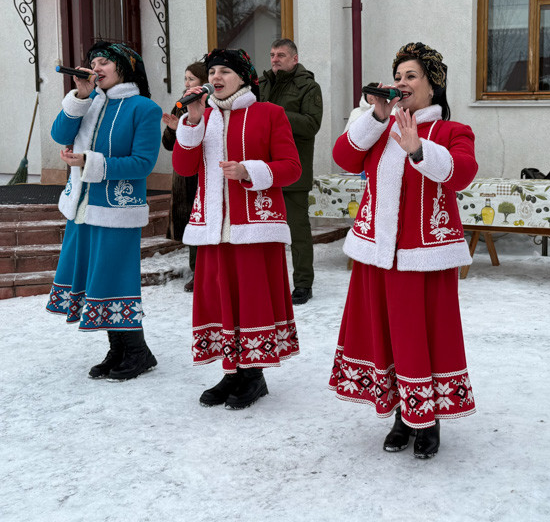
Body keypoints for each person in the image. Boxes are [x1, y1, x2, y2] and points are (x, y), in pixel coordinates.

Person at [328, 42, 478, 459]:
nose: (401, 83)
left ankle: (427, 420)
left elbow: (462, 173)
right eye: (398, 77)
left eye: (411, 76)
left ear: (433, 86)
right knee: (388, 336)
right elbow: (343, 157)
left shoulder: (451, 131)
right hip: (378, 254)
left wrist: (418, 150)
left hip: (423, 256)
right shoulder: (379, 129)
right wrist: (375, 117)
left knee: (422, 336)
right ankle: (399, 413)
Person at [173, 48, 302, 409]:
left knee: (253, 302)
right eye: (212, 71)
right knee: (221, 301)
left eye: (224, 71)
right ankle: (231, 372)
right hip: (214, 229)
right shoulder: (204, 116)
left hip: (255, 229)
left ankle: (253, 375)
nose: (216, 77)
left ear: (244, 77)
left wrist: (250, 171)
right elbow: (184, 167)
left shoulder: (269, 113)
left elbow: (292, 168)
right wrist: (193, 121)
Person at [46, 42, 162, 381]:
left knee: (115, 276)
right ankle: (120, 349)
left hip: (116, 208)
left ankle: (137, 351)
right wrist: (79, 98)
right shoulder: (91, 101)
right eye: (93, 61)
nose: (96, 66)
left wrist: (88, 162)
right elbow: (58, 134)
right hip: (81, 207)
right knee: (97, 279)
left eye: (104, 62)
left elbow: (143, 163)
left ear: (123, 68)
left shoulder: (144, 108)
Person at [259, 38, 322, 305]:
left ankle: (303, 284)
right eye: (272, 54)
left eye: (281, 55)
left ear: (294, 59)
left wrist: (277, 113)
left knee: (297, 231)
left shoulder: (309, 87)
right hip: (261, 170)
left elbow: (311, 125)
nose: (275, 59)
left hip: (293, 170)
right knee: (261, 232)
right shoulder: (261, 85)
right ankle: (263, 282)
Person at [161, 61, 207, 292]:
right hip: (183, 175)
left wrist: (187, 127)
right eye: (185, 78)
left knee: (203, 221)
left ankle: (204, 272)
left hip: (202, 171)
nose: (187, 83)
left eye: (192, 79)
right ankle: (195, 271)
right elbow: (168, 144)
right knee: (190, 221)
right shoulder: (181, 105)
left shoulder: (210, 106)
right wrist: (172, 128)